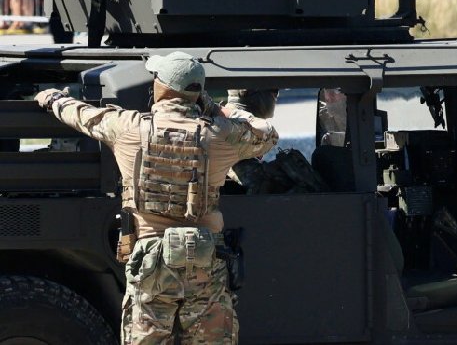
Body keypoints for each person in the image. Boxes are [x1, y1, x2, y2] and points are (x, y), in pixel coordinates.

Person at [35, 52, 278, 343]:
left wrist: (51, 98)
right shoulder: (221, 135)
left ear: (161, 87)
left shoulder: (128, 127)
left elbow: (81, 115)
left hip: (149, 261)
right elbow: (268, 134)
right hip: (205, 263)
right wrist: (215, 109)